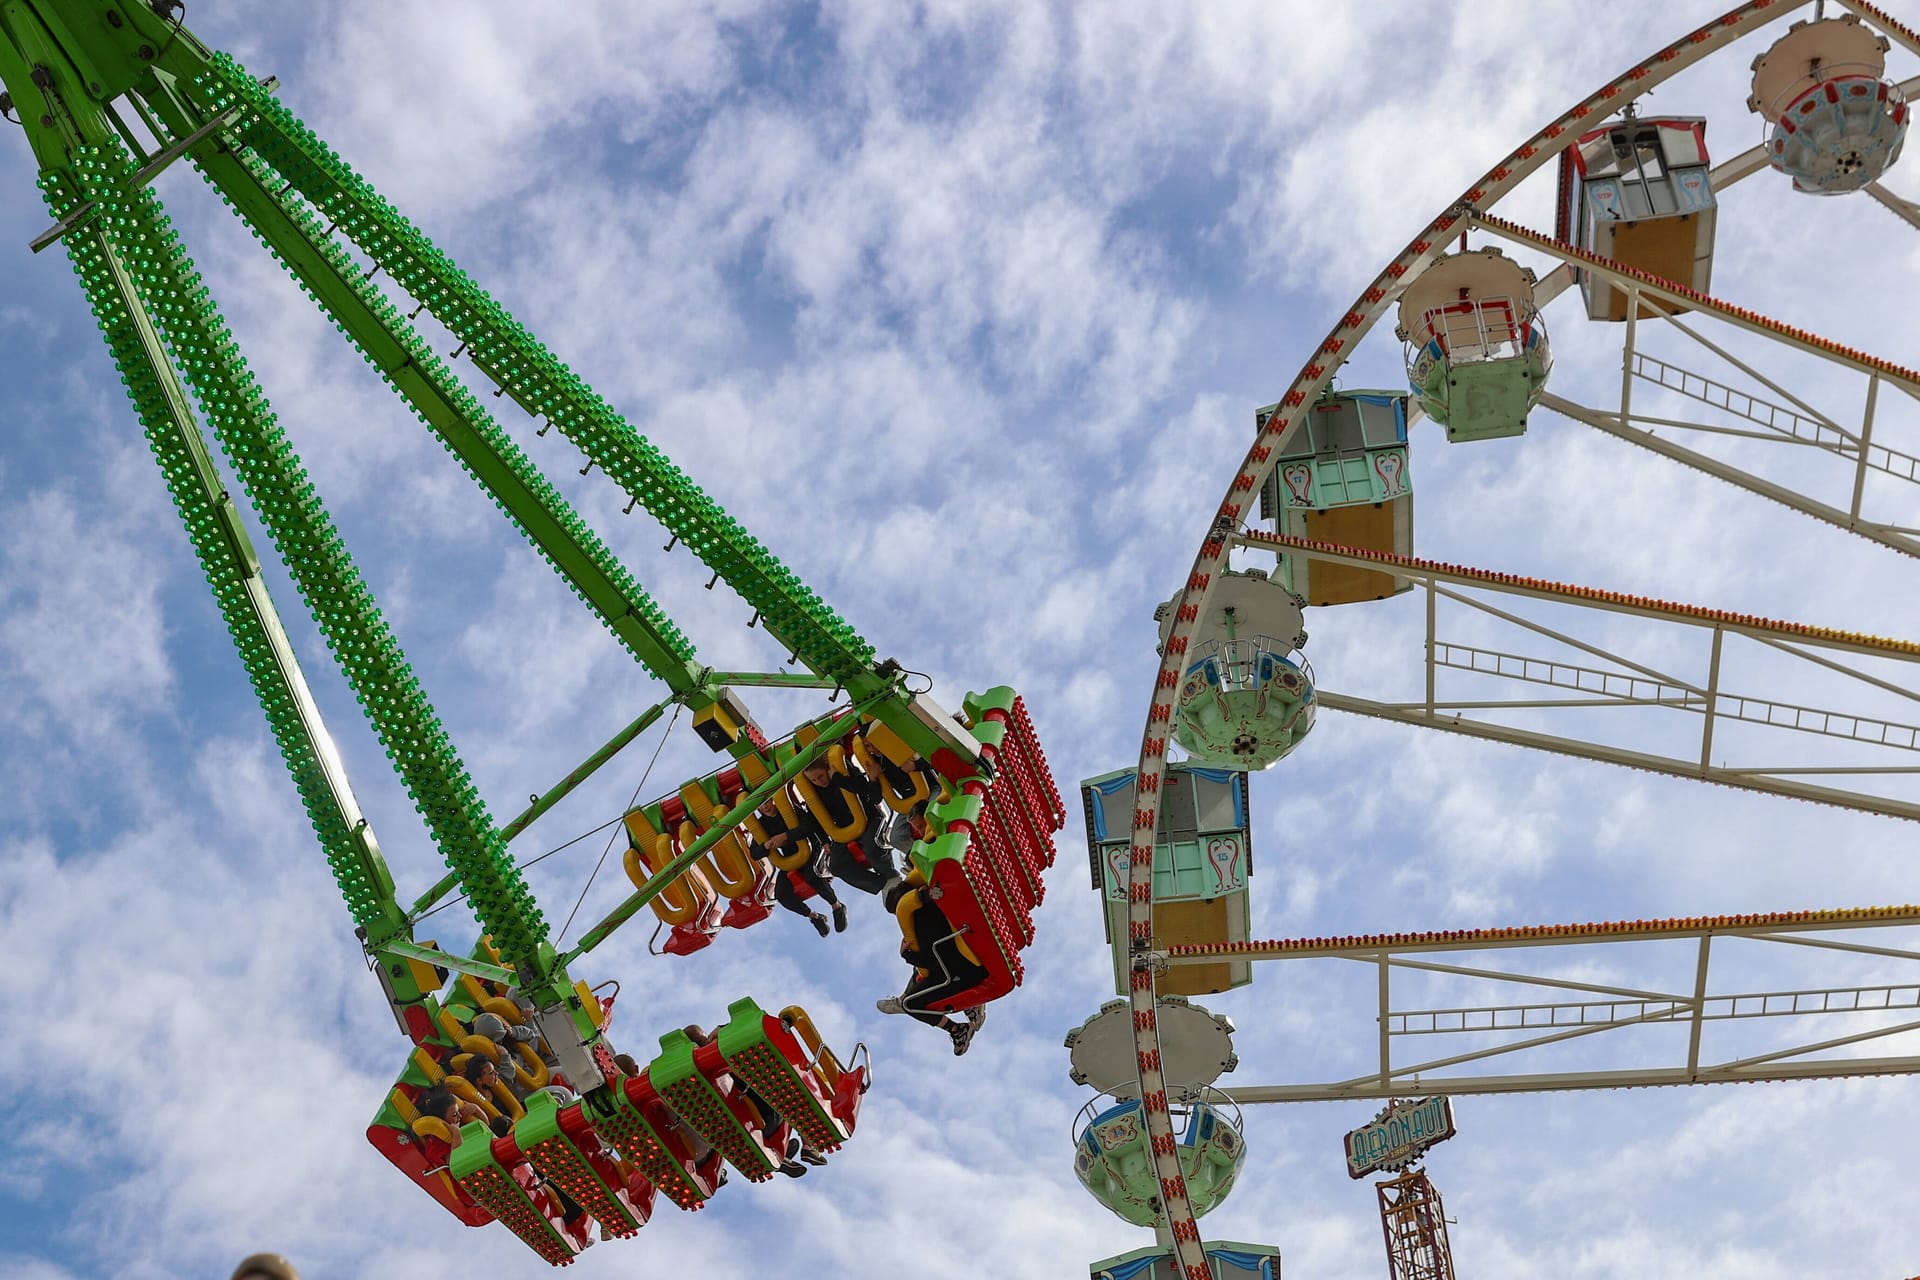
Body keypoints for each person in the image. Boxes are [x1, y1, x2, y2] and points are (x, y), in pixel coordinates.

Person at [876, 876, 988, 1055]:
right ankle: (966, 1006)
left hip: (962, 972)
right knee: (918, 977)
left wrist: (909, 955)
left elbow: (936, 963)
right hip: (969, 956)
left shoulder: (919, 921)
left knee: (911, 1003)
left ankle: (958, 1028)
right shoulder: (937, 901)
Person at [748, 794, 848, 937]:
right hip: (790, 858)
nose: (765, 807)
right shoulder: (761, 825)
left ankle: (837, 906)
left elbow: (809, 826)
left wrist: (786, 836)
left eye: (767, 802)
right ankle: (814, 917)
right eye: (761, 806)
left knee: (811, 876)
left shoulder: (789, 810)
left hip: (811, 849)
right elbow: (754, 853)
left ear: (773, 799)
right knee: (781, 894)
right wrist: (765, 845)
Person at [796, 758, 899, 897]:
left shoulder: (843, 770)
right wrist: (825, 841)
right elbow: (815, 818)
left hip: (869, 818)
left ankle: (892, 877)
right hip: (845, 829)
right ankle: (882, 884)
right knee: (836, 865)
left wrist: (838, 779)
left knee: (871, 845)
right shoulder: (814, 793)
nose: (819, 782)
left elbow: (867, 790)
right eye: (813, 780)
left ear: (827, 769)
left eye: (820, 776)